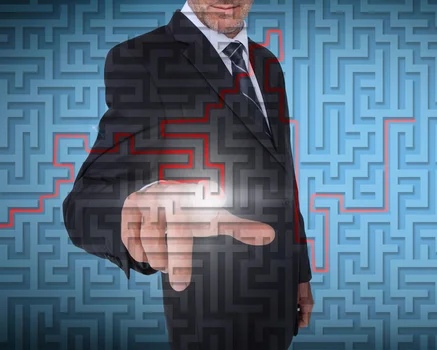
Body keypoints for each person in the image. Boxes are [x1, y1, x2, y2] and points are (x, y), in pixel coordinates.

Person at [62, 0, 314, 349]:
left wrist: (300, 271)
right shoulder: (143, 58)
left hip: (280, 293)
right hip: (209, 307)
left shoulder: (268, 64)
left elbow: (284, 174)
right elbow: (83, 204)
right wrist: (129, 214)